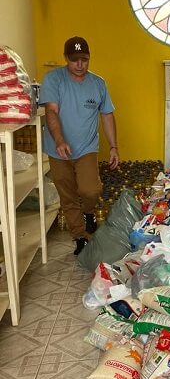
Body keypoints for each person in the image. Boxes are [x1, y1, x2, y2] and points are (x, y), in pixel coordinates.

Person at [39, 36, 119, 255]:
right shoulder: (53, 79)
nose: (80, 64)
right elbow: (51, 111)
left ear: (89, 57)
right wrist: (59, 140)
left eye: (84, 59)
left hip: (86, 148)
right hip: (57, 149)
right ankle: (79, 236)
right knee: (67, 195)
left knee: (90, 189)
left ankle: (89, 211)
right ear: (66, 58)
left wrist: (114, 147)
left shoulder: (98, 83)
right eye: (75, 60)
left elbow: (107, 115)